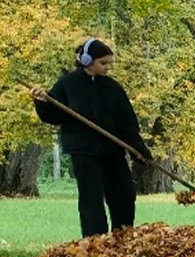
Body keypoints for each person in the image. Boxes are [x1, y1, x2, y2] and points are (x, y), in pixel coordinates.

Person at [30, 39, 151, 238]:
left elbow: (127, 123)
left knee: (124, 195)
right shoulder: (67, 84)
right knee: (91, 199)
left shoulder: (113, 88)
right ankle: (95, 243)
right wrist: (42, 102)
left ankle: (123, 238)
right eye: (103, 63)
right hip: (83, 151)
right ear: (87, 61)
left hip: (112, 151)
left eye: (109, 63)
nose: (108, 67)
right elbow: (52, 116)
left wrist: (137, 149)